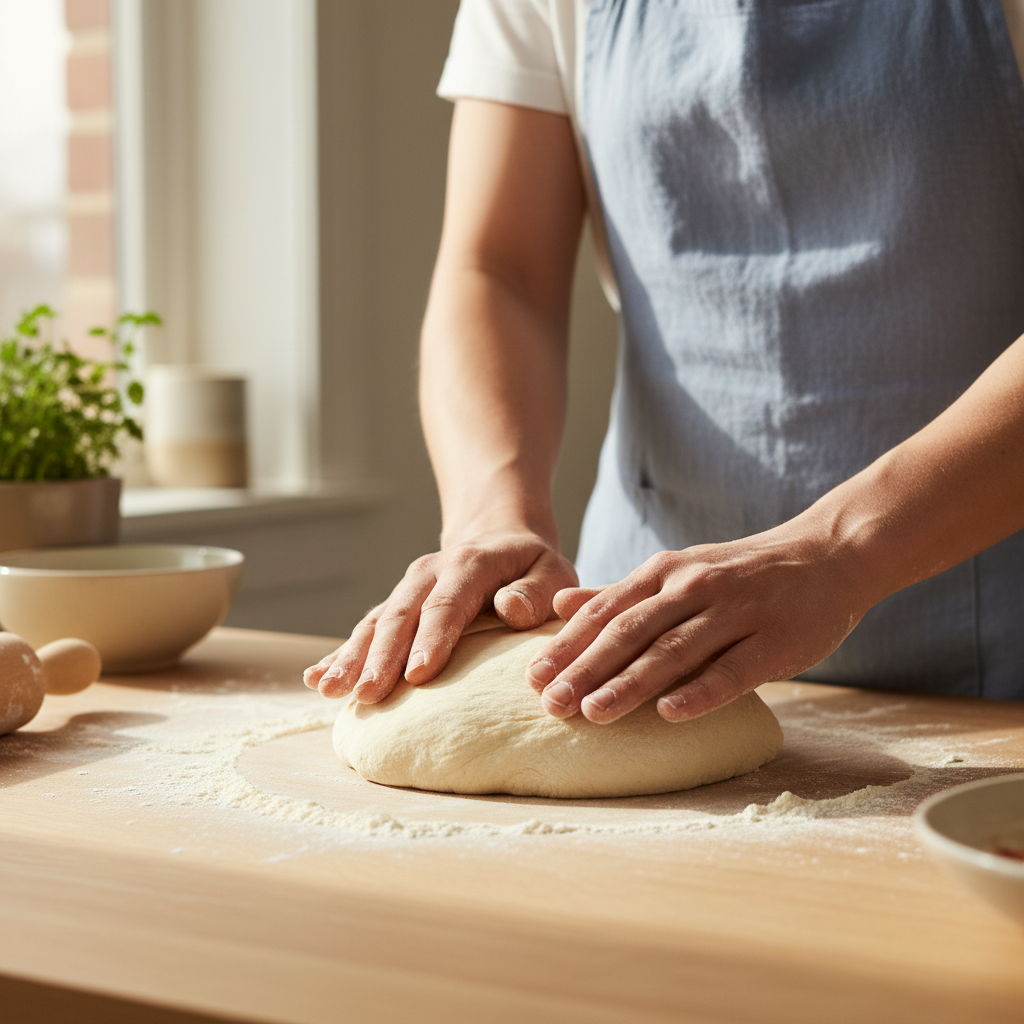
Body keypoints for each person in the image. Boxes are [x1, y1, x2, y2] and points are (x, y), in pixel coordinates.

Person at [306, 0, 1024, 725]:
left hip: (993, 645)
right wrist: (490, 517)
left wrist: (836, 552)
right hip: (637, 642)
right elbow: (501, 271)